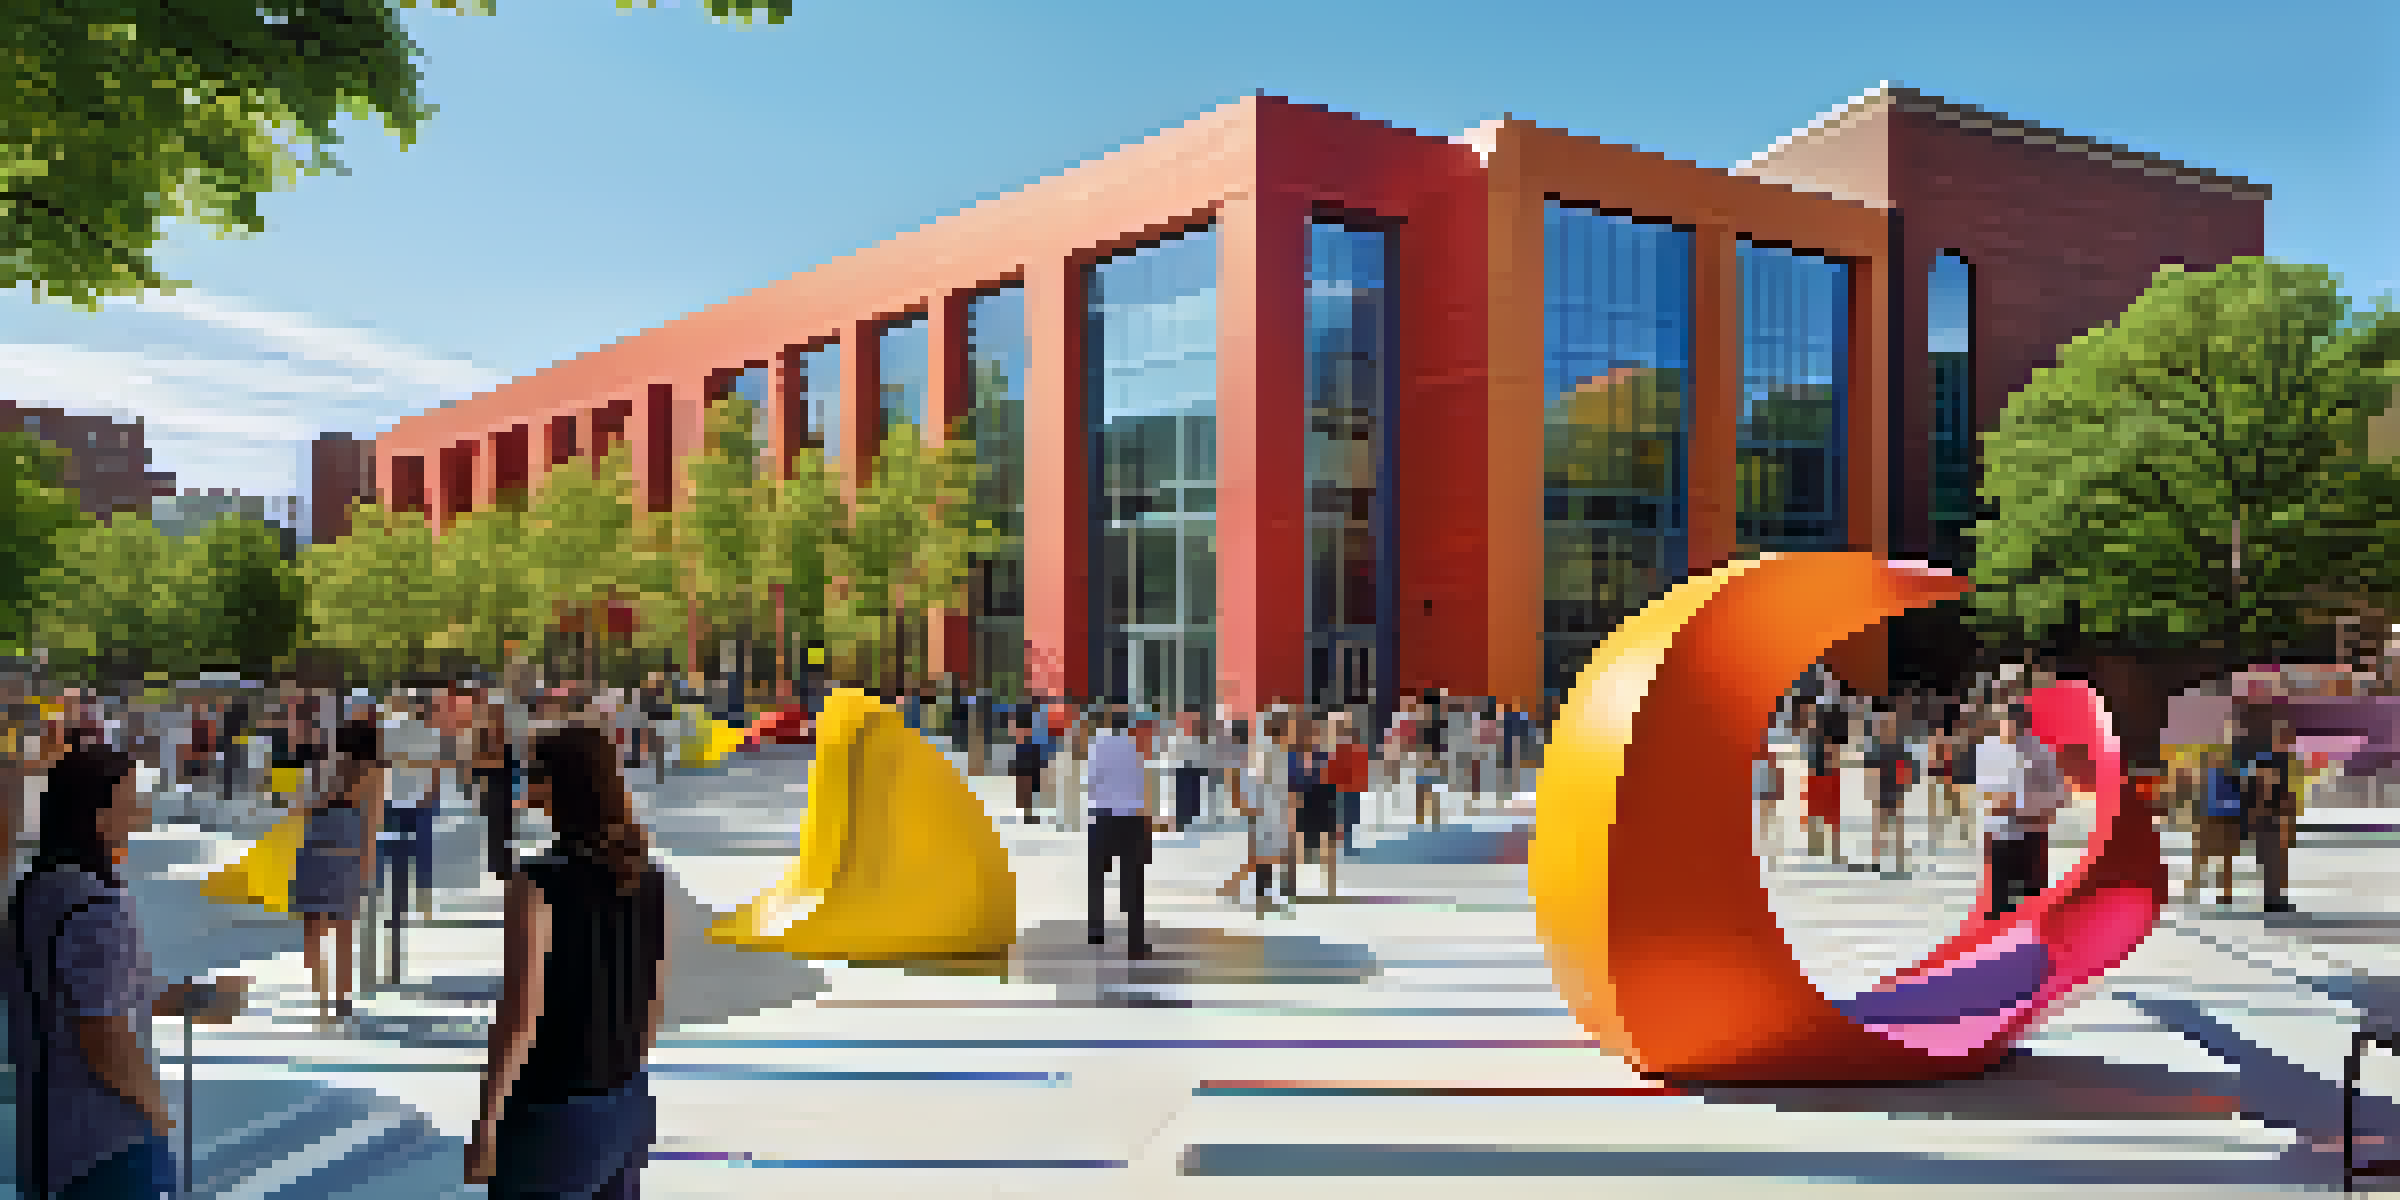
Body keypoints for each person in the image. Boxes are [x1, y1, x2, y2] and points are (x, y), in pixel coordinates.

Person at [6, 743, 250, 1199]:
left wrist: (187, 998)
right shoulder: (98, 907)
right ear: (98, 816)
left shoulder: (35, 894)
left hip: (45, 1141)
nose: (143, 808)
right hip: (110, 1145)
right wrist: (157, 1112)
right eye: (132, 798)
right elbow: (103, 1035)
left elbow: (76, 992)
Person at [467, 723, 667, 1197]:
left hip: (553, 1106)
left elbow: (520, 1014)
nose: (525, 783)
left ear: (560, 785)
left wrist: (488, 1118)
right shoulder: (647, 876)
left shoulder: (534, 883)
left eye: (534, 772)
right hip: (626, 1099)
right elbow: (652, 1002)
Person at [295, 718, 384, 1028]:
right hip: (345, 844)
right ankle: (340, 998)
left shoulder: (328, 769)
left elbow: (304, 806)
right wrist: (367, 864)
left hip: (317, 841)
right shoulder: (372, 774)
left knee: (315, 927)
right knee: (343, 928)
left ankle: (323, 998)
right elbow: (372, 822)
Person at [1083, 708, 1155, 958]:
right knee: (1133, 880)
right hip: (1133, 818)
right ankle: (1136, 941)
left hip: (1103, 816)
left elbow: (1091, 780)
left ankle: (1096, 930)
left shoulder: (1097, 745)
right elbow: (1144, 784)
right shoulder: (1136, 748)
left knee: (1096, 875)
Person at [2246, 719, 2301, 914]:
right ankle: (2272, 900)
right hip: (2269, 816)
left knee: (2277, 860)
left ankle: (2275, 897)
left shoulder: (2281, 760)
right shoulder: (2268, 760)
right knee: (2271, 859)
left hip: (2275, 815)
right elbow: (2263, 787)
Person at [1292, 714, 1340, 898]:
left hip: (1322, 799)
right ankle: (1293, 887)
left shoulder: (1325, 755)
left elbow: (1333, 780)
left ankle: (1330, 888)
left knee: (1327, 844)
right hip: (1306, 799)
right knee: (1299, 845)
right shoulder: (1295, 756)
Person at [1863, 709, 1914, 875]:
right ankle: (1878, 858)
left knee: (1896, 822)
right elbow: (1870, 768)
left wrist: (1906, 784)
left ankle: (1897, 857)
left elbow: (1908, 766)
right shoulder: (1877, 746)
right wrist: (1870, 787)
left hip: (1894, 786)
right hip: (1882, 785)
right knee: (1880, 822)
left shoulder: (1900, 745)